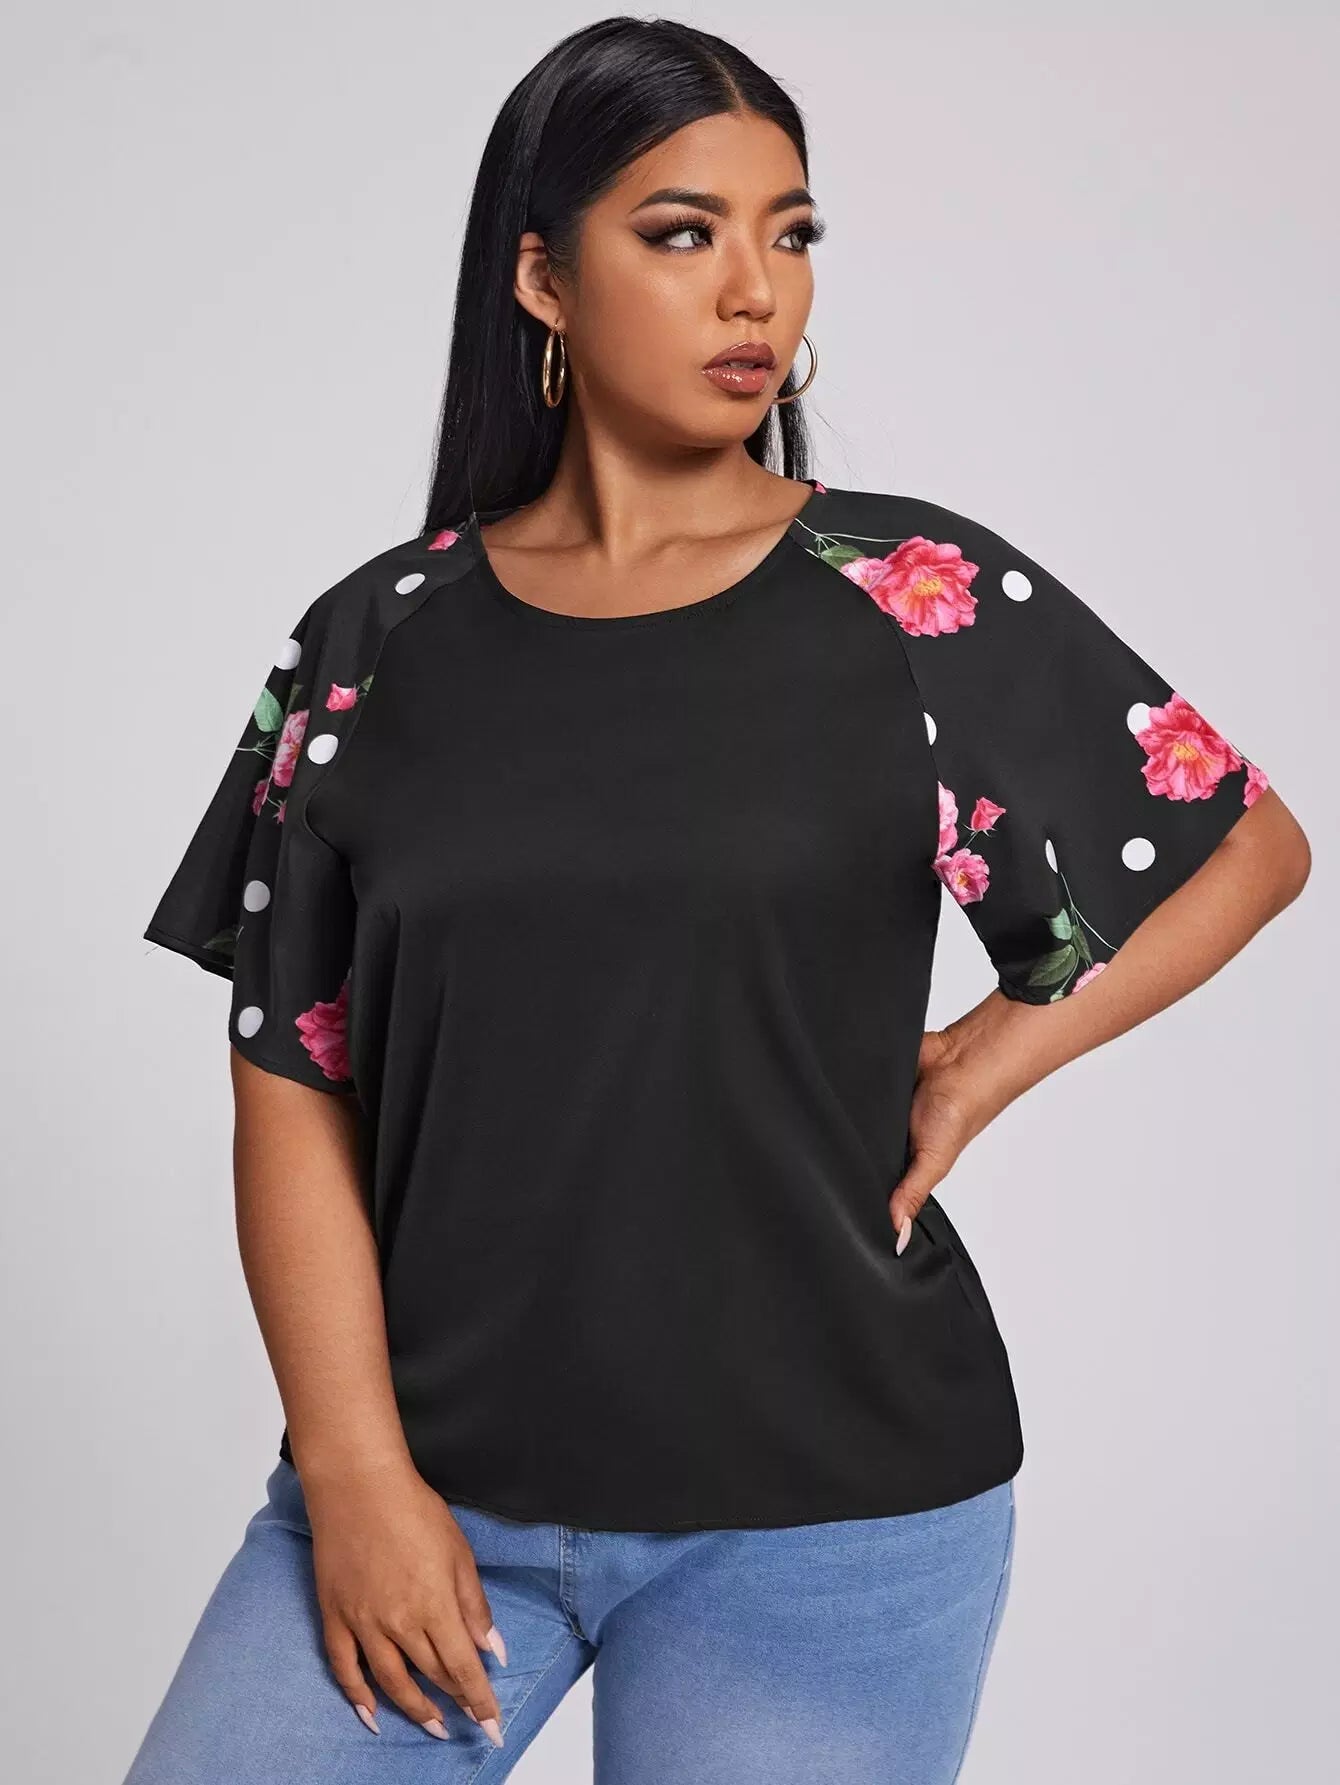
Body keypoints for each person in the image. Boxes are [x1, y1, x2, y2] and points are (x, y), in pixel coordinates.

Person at [125, 16, 1310, 1785]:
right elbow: (291, 1073)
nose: (757, 289)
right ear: (542, 276)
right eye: (683, 233)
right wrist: (355, 1471)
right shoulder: (377, 639)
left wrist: (983, 1060)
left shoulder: (904, 594)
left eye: (791, 231)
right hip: (425, 1480)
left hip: (831, 1510)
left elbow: (1244, 843)